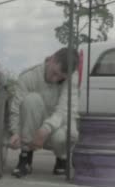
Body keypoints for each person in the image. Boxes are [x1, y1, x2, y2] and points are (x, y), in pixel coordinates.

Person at [6, 47, 80, 178]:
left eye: (61, 77)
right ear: (50, 59)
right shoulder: (28, 76)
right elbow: (16, 108)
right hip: (33, 129)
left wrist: (46, 128)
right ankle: (25, 157)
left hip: (55, 127)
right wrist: (15, 133)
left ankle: (62, 159)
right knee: (31, 99)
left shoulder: (72, 78)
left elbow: (65, 110)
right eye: (54, 73)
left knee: (69, 134)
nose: (55, 79)